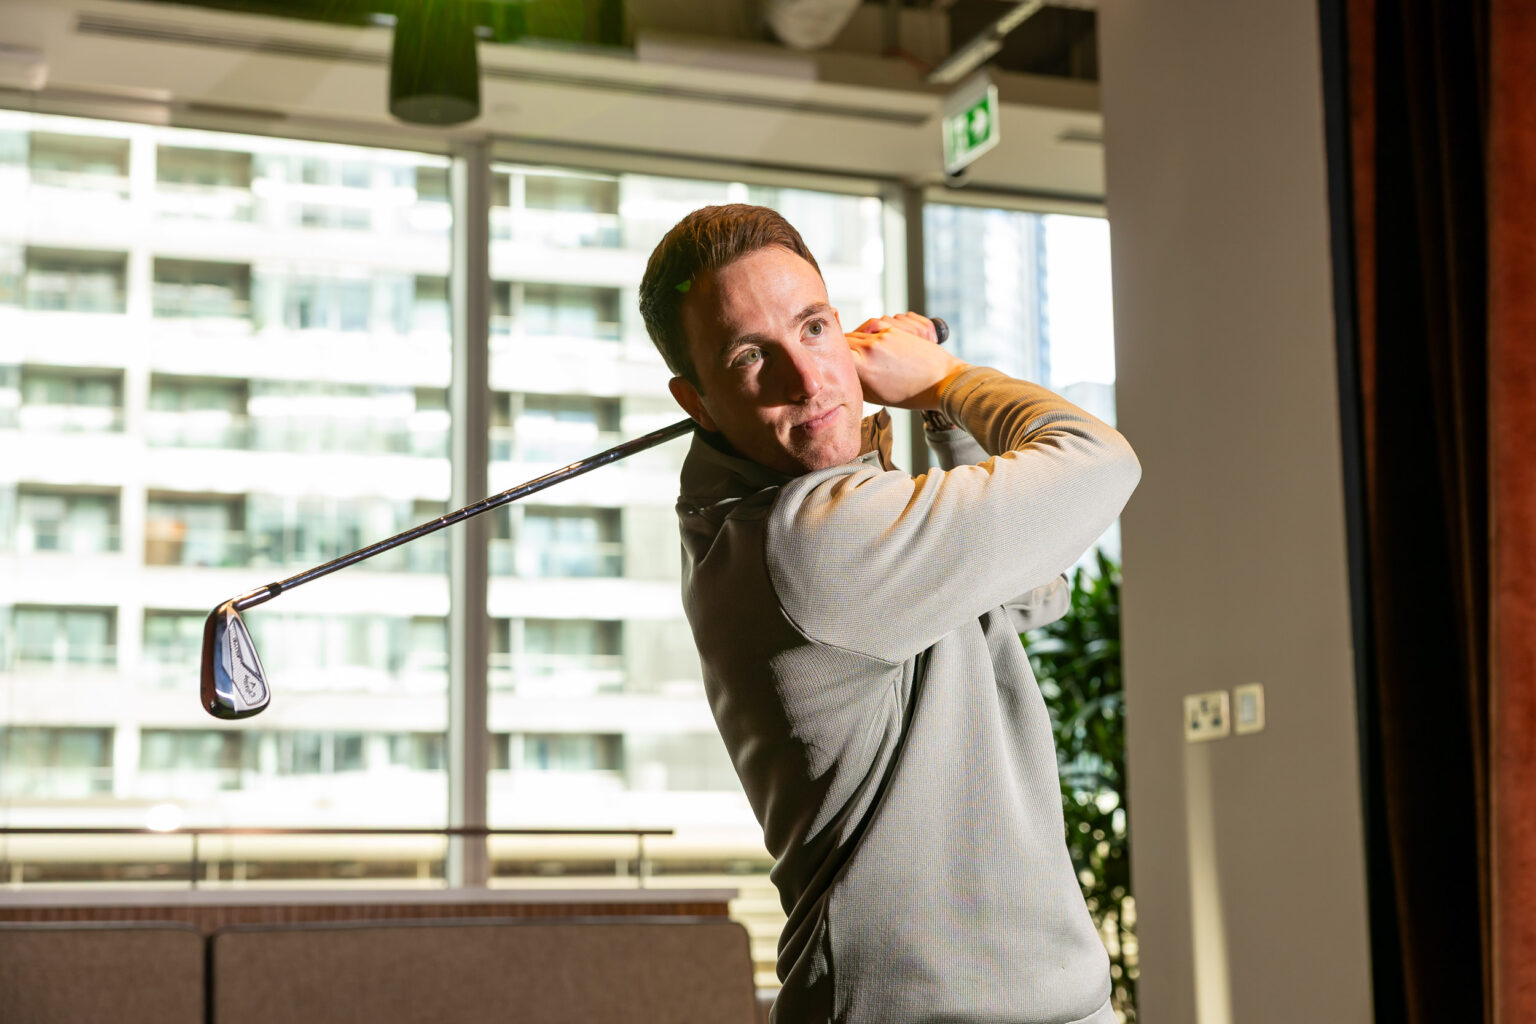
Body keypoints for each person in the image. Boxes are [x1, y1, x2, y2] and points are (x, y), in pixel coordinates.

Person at [638, 203, 1140, 1024]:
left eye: (814, 329)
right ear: (695, 399)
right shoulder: (809, 542)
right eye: (750, 356)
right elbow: (1100, 463)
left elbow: (1030, 590)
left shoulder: (809, 520)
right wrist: (946, 379)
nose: (807, 380)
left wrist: (939, 416)